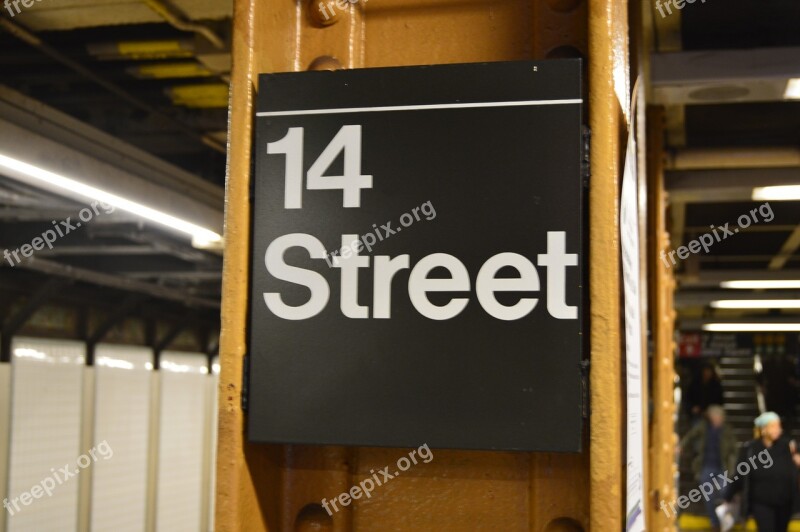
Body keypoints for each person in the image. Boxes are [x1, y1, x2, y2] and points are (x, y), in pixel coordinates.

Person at [724, 412, 800, 531]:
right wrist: (728, 496)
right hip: (761, 502)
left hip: (785, 502)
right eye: (773, 426)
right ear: (763, 429)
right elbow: (740, 474)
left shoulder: (787, 446)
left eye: (778, 426)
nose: (778, 429)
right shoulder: (751, 448)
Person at [679, 405, 738, 531]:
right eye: (715, 416)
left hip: (722, 466)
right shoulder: (703, 427)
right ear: (711, 417)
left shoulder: (726, 430)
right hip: (706, 466)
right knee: (708, 495)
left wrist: (734, 464)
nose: (717, 419)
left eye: (719, 417)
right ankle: (715, 522)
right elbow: (690, 436)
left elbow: (734, 448)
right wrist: (682, 446)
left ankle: (725, 519)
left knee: (723, 493)